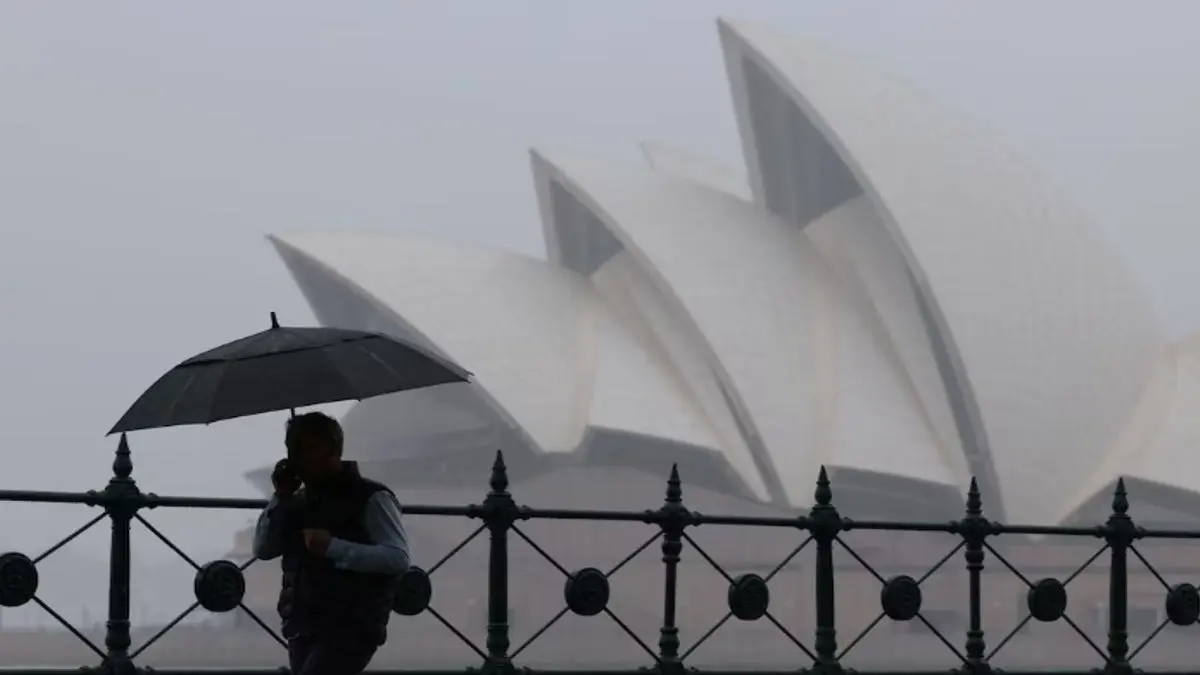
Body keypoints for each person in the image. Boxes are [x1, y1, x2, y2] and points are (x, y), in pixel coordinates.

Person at [253, 412, 412, 675]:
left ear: (332, 450)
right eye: (293, 450)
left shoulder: (370, 498)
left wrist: (333, 547)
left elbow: (398, 558)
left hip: (350, 625)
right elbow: (263, 548)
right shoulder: (297, 502)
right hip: (302, 624)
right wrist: (280, 497)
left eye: (308, 449)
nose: (299, 459)